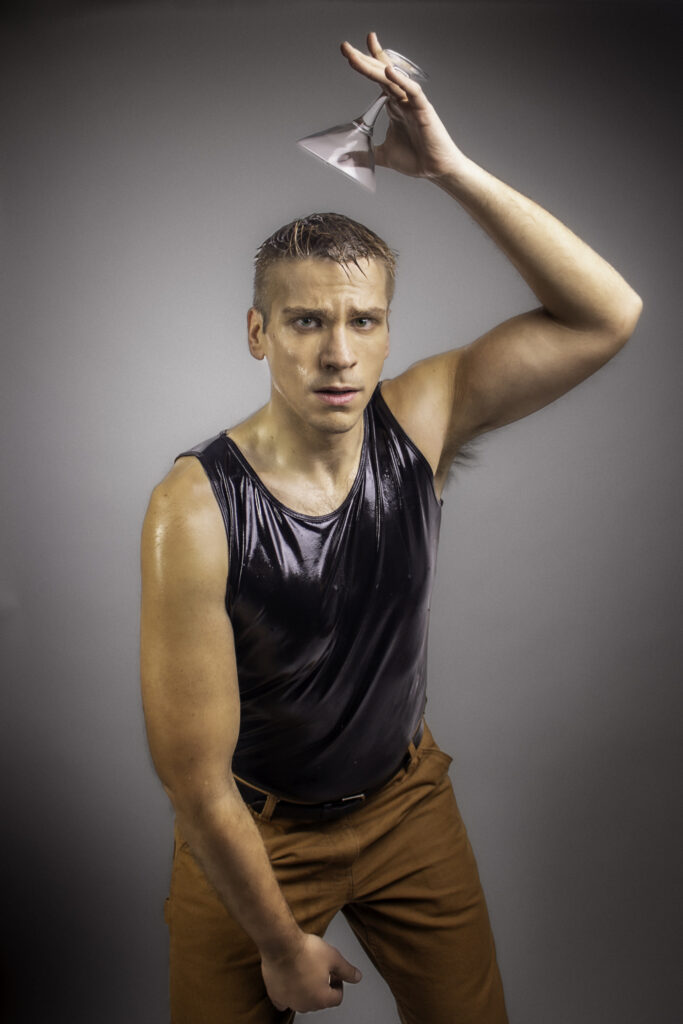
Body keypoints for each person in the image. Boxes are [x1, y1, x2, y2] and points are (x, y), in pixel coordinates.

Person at [140, 31, 642, 1024]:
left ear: (386, 328)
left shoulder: (418, 418)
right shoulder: (194, 505)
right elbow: (195, 780)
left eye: (362, 321)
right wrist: (280, 940)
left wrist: (447, 169)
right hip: (253, 828)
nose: (337, 354)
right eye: (304, 322)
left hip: (406, 804)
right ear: (257, 332)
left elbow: (604, 314)